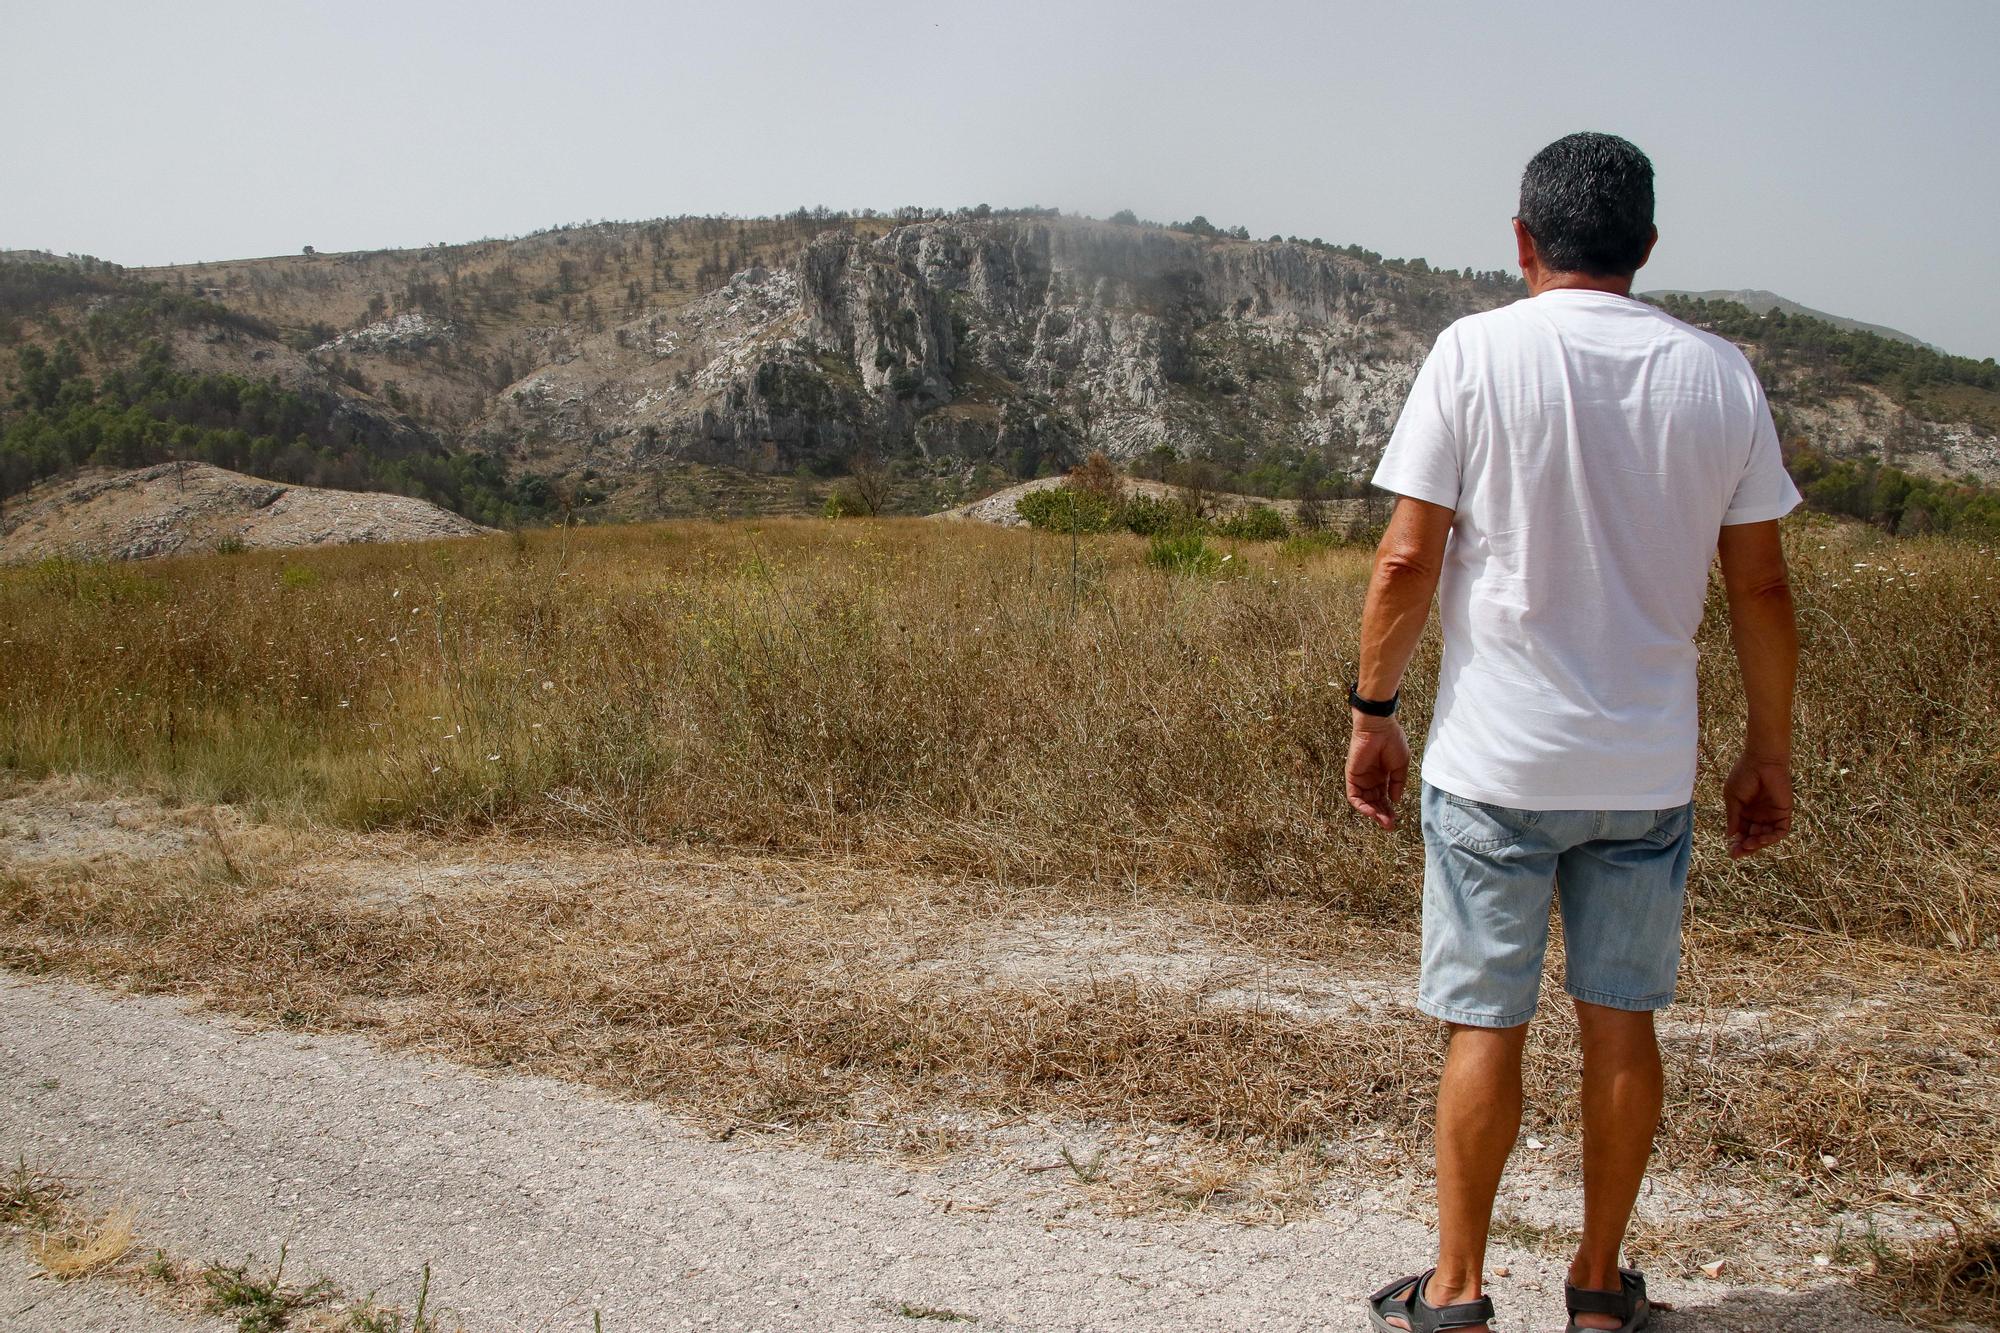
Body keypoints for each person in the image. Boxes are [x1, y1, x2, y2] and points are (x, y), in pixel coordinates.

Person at [1350, 132, 1801, 1333]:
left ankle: (1453, 1294)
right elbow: (1760, 586)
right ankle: (1598, 1289)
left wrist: (1374, 710)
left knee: (1482, 1019)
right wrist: (1767, 749)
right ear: (1646, 247)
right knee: (1619, 1017)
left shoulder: (1473, 352)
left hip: (1494, 764)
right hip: (1642, 772)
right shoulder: (1719, 375)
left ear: (1519, 239)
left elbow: (1406, 555)